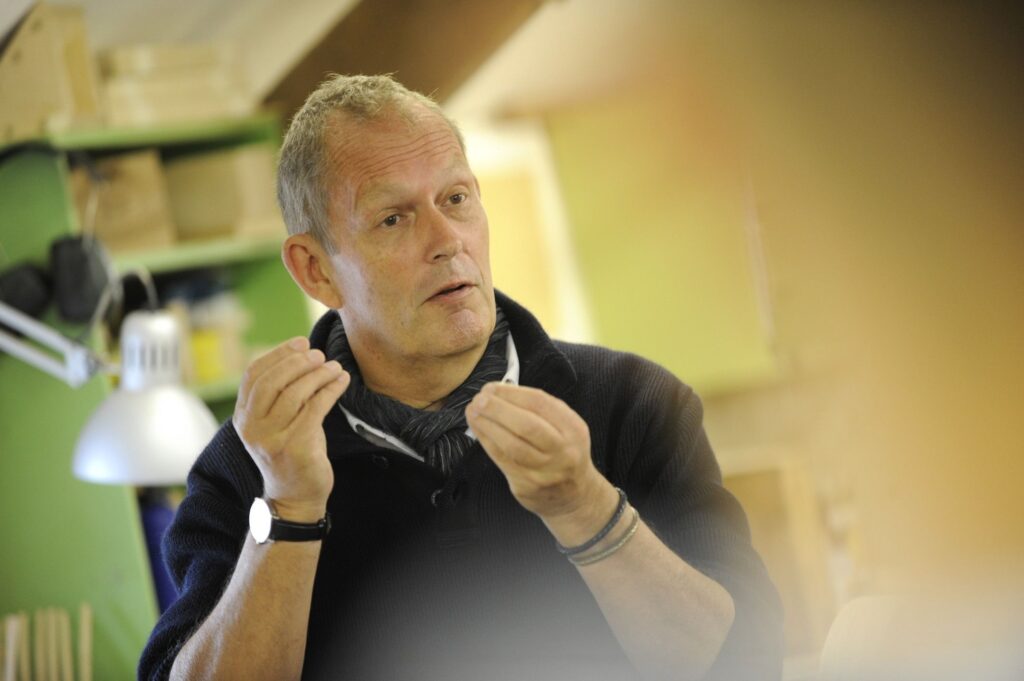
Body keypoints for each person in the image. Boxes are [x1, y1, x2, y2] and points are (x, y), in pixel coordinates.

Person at [138, 74, 783, 681]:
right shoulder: (249, 459)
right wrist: (287, 511)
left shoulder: (639, 402)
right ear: (315, 270)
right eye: (394, 218)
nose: (449, 240)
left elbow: (745, 660)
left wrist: (587, 508)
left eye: (456, 199)